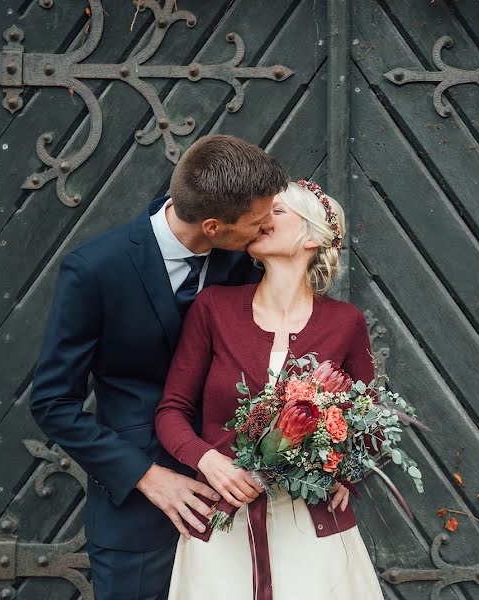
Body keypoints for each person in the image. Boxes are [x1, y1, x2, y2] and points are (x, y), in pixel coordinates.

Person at [30, 135, 288, 600]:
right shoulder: (94, 270)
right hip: (139, 511)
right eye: (257, 221)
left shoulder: (249, 259)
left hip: (238, 499)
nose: (267, 227)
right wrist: (146, 476)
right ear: (212, 226)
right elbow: (52, 403)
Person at [155, 179, 384, 600]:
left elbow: (370, 426)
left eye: (276, 212)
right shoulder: (213, 309)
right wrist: (208, 461)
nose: (261, 219)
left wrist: (342, 475)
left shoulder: (345, 322)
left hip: (311, 530)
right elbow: (171, 411)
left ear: (312, 236)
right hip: (222, 521)